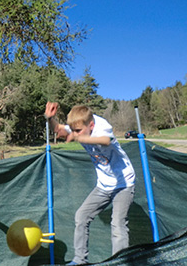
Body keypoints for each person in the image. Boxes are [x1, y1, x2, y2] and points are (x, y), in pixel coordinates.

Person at [44, 102, 135, 265]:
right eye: (75, 130)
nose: (76, 133)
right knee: (81, 216)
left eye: (79, 130)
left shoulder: (102, 127)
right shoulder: (79, 126)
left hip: (124, 183)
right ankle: (80, 260)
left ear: (91, 125)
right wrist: (50, 118)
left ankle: (119, 262)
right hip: (104, 185)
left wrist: (79, 137)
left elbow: (106, 141)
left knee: (118, 224)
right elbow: (58, 129)